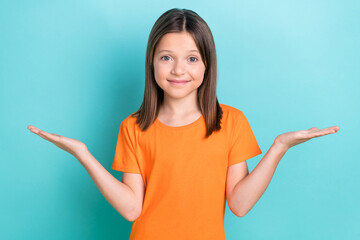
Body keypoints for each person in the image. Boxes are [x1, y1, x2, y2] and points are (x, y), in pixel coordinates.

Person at [27, 8, 340, 240]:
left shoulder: (231, 122)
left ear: (207, 64)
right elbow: (132, 209)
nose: (178, 69)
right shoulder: (133, 128)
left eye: (192, 58)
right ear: (152, 62)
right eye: (166, 57)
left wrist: (278, 148)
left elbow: (240, 205)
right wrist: (83, 154)